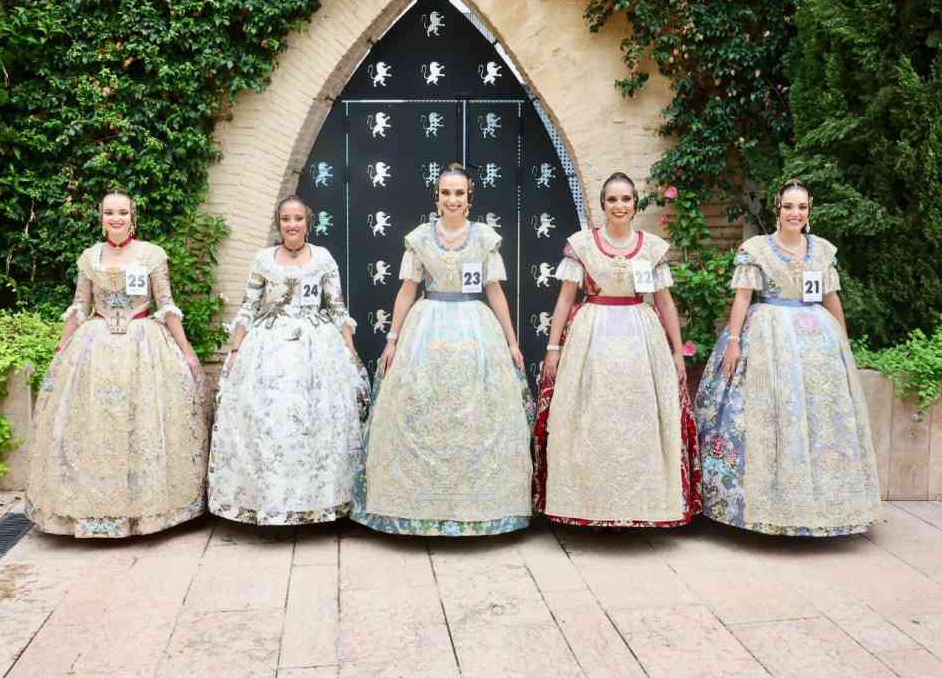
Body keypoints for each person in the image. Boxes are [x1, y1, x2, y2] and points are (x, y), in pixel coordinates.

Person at [351, 164, 534, 536]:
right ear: (436, 198)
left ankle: (481, 507)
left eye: (459, 193)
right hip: (427, 324)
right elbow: (407, 289)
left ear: (469, 198)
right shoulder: (420, 238)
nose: (453, 199)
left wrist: (512, 342)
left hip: (475, 328)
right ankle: (413, 508)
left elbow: (495, 292)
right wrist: (392, 339)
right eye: (446, 193)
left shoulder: (484, 239)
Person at [695, 179, 881, 536]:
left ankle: (821, 505)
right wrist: (733, 341)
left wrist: (842, 343)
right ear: (777, 210)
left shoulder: (821, 251)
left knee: (817, 418)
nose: (795, 213)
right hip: (766, 340)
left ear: (809, 212)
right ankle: (754, 506)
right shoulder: (756, 250)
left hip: (815, 344)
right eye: (788, 207)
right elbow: (742, 297)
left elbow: (831, 298)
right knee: (770, 413)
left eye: (802, 207)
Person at [25, 189, 208, 538]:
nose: (116, 218)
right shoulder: (89, 258)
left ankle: (144, 512)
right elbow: (80, 306)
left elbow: (166, 304)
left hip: (142, 345)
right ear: (101, 218)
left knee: (141, 423)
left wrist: (186, 350)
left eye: (122, 212)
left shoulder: (152, 255)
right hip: (94, 345)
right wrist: (61, 348)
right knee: (94, 425)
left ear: (132, 217)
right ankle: (92, 508)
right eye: (109, 212)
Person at [533, 172, 701, 526]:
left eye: (626, 199)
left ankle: (642, 506)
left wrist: (676, 350)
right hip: (592, 336)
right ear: (602, 204)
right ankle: (588, 505)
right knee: (591, 416)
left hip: (642, 338)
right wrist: (553, 346)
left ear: (635, 204)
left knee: (639, 417)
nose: (619, 206)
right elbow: (564, 299)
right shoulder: (582, 245)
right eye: (612, 199)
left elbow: (665, 302)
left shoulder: (652, 248)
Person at [207, 196, 369, 525]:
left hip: (316, 345)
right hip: (268, 345)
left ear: (308, 222)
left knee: (315, 422)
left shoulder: (322, 258)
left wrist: (350, 352)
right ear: (278, 223)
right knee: (271, 420)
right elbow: (248, 307)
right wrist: (235, 351)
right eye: (285, 219)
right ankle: (272, 501)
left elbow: (336, 307)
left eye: (297, 219)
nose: (291, 224)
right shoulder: (263, 259)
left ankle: (317, 502)